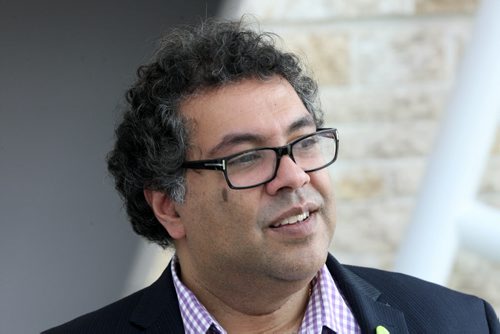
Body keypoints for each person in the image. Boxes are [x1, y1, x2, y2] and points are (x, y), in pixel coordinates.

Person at [44, 19, 499, 334]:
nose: (293, 175)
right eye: (246, 158)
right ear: (169, 205)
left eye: (303, 142)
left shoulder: (459, 323)